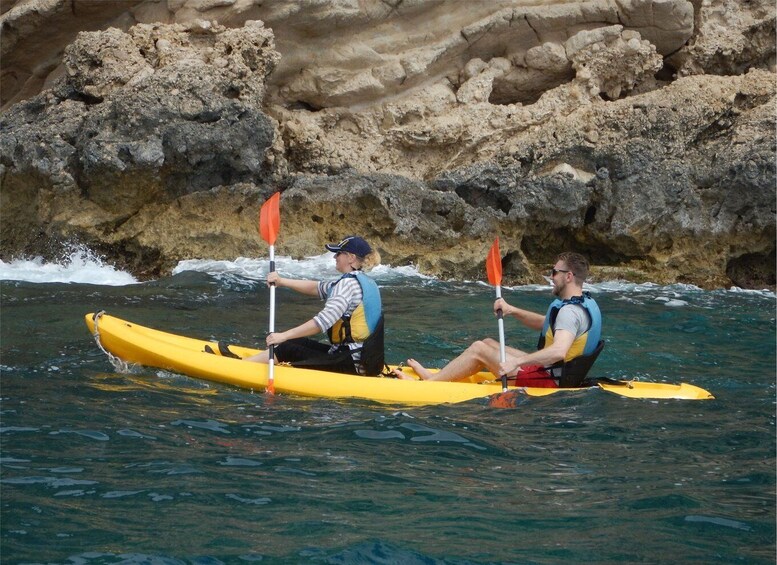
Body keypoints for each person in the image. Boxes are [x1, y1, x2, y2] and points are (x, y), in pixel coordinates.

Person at [394, 252, 603, 387]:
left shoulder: (570, 312)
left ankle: (427, 385)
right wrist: (511, 310)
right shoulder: (581, 304)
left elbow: (559, 351)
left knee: (478, 348)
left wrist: (517, 362)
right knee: (488, 343)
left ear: (568, 276)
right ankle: (436, 378)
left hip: (549, 380)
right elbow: (546, 324)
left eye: (554, 272)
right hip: (557, 373)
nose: (551, 277)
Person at [244, 235, 385, 376]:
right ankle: (250, 361)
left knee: (286, 347)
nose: (335, 257)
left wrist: (283, 336)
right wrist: (281, 281)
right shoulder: (364, 282)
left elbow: (322, 322)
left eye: (339, 253)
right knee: (296, 341)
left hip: (351, 363)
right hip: (366, 359)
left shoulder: (347, 285)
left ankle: (242, 367)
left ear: (351, 258)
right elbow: (317, 288)